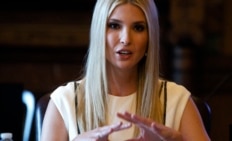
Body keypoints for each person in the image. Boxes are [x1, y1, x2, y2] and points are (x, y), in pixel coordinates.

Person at [41, 0, 211, 140]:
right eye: (114, 26)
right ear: (99, 32)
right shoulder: (64, 101)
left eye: (138, 28)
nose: (126, 39)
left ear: (150, 37)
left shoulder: (178, 99)